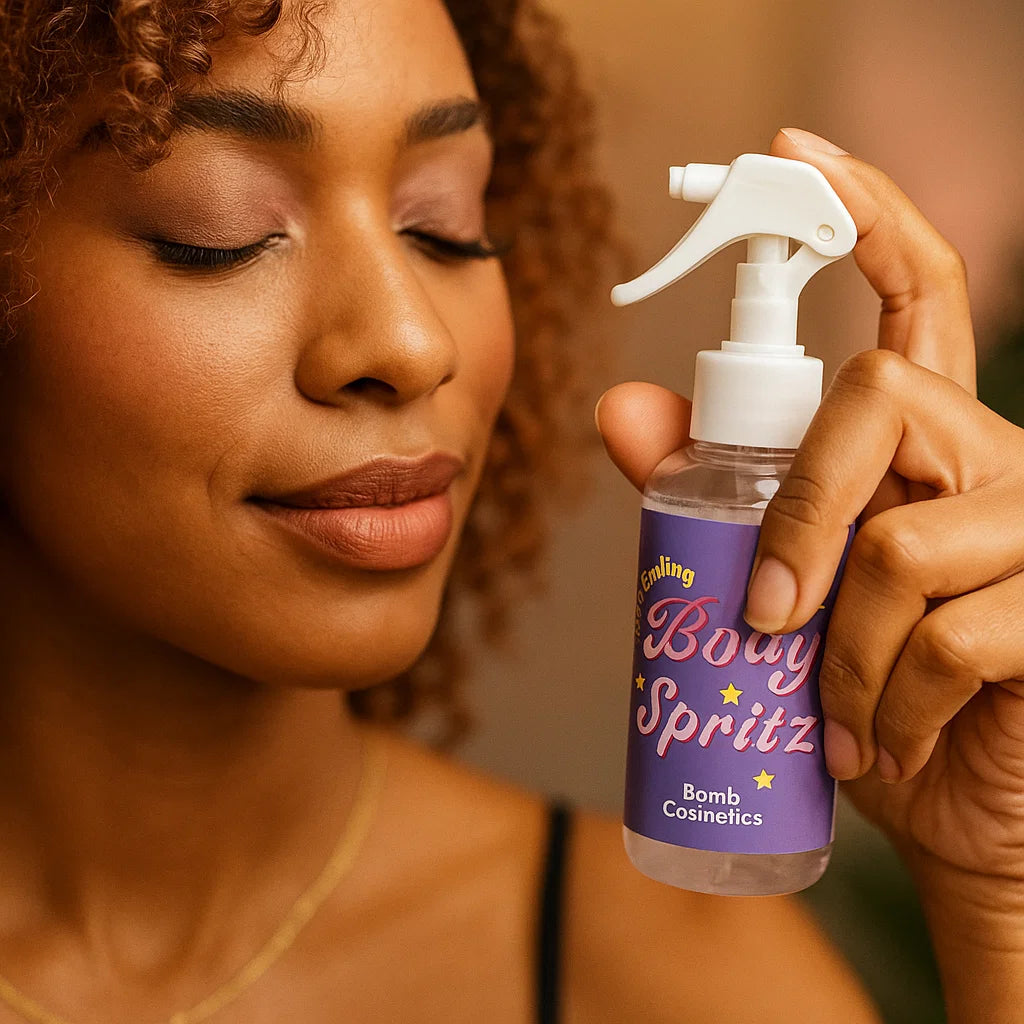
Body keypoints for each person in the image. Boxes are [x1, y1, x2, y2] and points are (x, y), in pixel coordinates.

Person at [0, 1, 1021, 1022]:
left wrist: (1000, 902)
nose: (412, 343)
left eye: (442, 226)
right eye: (218, 231)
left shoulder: (677, 977)